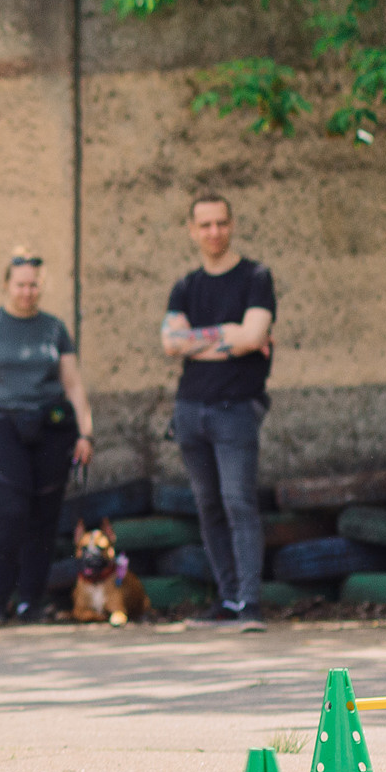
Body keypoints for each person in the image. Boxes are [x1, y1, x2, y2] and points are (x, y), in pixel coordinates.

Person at [0, 248, 95, 625]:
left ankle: (31, 602)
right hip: (1, 426)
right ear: (6, 284)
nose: (27, 292)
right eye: (20, 285)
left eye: (34, 285)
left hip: (50, 427)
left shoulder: (54, 328)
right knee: (11, 513)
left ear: (42, 286)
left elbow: (73, 384)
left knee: (44, 518)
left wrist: (86, 433)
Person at [160, 194, 275, 632]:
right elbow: (170, 343)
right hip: (189, 410)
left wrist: (198, 340)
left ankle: (250, 605)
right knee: (208, 506)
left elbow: (253, 336)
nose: (214, 232)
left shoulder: (256, 277)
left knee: (238, 502)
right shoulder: (185, 286)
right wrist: (227, 334)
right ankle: (228, 599)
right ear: (192, 230)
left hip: (236, 409)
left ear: (232, 225)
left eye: (221, 223)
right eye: (205, 225)